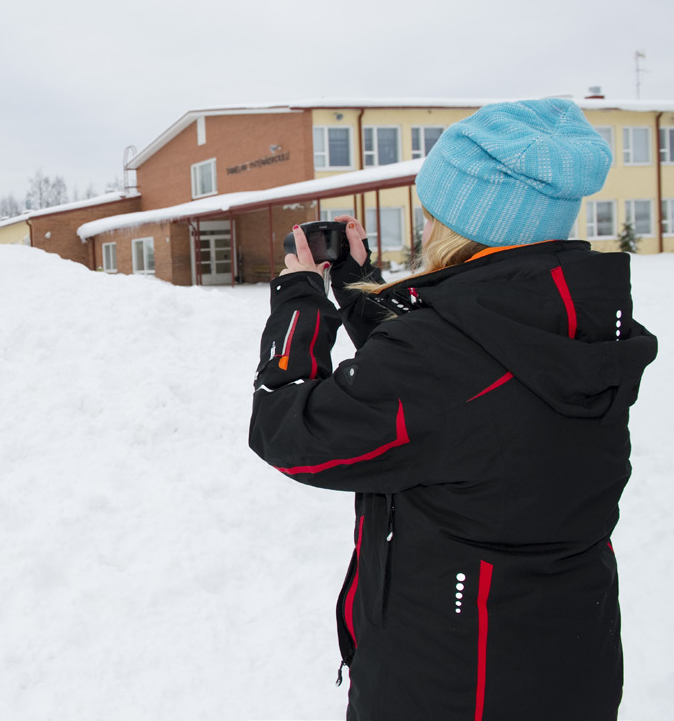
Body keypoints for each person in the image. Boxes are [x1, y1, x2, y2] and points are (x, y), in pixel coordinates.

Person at [247, 100, 658, 721]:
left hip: (452, 682)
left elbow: (289, 431)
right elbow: (465, 388)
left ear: (468, 219)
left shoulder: (440, 360)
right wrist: (361, 288)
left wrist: (298, 303)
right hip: (571, 661)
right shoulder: (580, 320)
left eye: (433, 209)